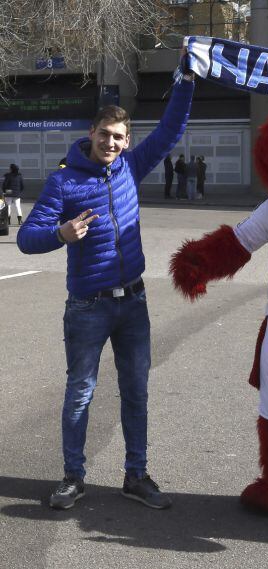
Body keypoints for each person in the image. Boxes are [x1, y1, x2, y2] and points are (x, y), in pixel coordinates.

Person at [16, 56, 195, 511]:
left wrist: (185, 82)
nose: (111, 143)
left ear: (126, 141)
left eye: (119, 137)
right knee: (80, 392)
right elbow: (25, 239)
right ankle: (72, 477)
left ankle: (136, 475)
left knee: (136, 390)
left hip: (133, 303)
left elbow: (170, 131)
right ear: (91, 135)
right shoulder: (63, 183)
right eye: (104, 135)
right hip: (87, 307)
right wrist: (61, 234)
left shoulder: (131, 168)